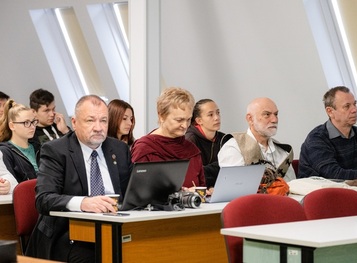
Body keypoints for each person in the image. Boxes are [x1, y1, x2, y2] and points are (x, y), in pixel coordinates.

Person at [25, 95, 133, 263]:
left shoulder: (119, 149)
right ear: (74, 122)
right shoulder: (56, 151)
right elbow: (44, 199)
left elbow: (132, 191)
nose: (98, 128)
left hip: (115, 228)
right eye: (90, 121)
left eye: (103, 121)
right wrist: (83, 203)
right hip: (68, 233)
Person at [298, 86, 357, 184]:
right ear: (330, 112)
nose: (354, 110)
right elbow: (333, 174)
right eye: (347, 106)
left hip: (352, 192)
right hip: (318, 195)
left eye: (355, 104)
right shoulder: (316, 139)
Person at [132, 87, 206, 188]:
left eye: (188, 119)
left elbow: (201, 188)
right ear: (161, 116)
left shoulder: (192, 151)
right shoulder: (145, 149)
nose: (185, 125)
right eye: (179, 120)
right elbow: (137, 192)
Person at [218, 97, 296, 182]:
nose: (274, 120)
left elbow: (292, 186)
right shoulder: (234, 148)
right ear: (250, 119)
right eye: (267, 114)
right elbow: (234, 189)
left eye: (276, 114)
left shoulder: (282, 152)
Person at [185, 99, 228, 191]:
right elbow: (194, 172)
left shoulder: (224, 138)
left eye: (218, 113)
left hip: (218, 189)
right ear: (199, 120)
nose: (217, 118)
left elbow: (230, 169)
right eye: (210, 115)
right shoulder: (190, 139)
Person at [0, 99, 39, 193]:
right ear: (12, 126)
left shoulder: (40, 148)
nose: (32, 127)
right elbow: (11, 182)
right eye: (26, 123)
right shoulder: (5, 151)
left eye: (34, 122)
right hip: (25, 200)